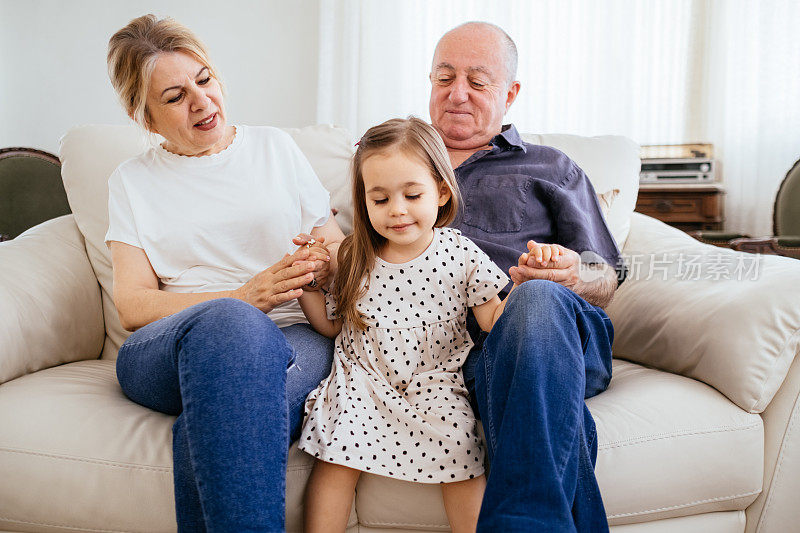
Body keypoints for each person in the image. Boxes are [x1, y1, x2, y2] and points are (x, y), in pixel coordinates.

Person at [104, 15, 345, 531]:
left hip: (291, 337)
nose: (201, 101)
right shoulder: (132, 182)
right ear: (143, 116)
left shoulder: (274, 148)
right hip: (169, 347)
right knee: (230, 322)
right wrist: (240, 296)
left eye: (204, 79)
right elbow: (132, 305)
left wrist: (326, 263)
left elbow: (334, 248)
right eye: (174, 96)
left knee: (211, 422)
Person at [296, 117, 544, 532]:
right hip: (363, 379)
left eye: (412, 195)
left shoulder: (460, 252)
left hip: (435, 379)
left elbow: (494, 323)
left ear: (441, 192)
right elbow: (331, 327)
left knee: (462, 451)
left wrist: (524, 288)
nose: (397, 210)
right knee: (335, 458)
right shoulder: (354, 253)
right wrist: (306, 282)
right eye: (379, 200)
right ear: (364, 202)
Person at [428, 22, 625, 532]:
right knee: (539, 403)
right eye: (444, 77)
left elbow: (607, 275)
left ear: (510, 93)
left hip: (553, 328)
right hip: (456, 353)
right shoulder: (398, 167)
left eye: (478, 81)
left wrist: (573, 274)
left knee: (534, 297)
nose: (457, 93)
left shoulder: (550, 167)